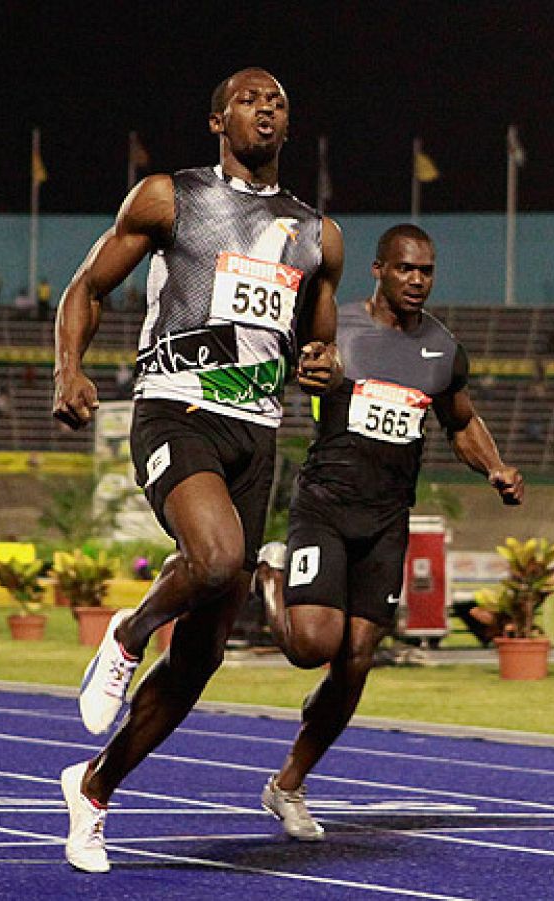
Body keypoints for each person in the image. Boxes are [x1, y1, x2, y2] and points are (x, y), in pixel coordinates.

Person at [50, 68, 342, 873]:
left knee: (203, 656)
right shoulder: (169, 198)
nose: (268, 107)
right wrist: (68, 369)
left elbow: (320, 347)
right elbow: (87, 287)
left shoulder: (317, 234)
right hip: (176, 410)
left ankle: (94, 787)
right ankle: (126, 631)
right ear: (218, 118)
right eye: (250, 98)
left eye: (280, 99)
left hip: (257, 435)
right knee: (213, 559)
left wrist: (323, 364)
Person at [253, 224, 524, 841]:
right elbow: (303, 371)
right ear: (378, 269)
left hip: (385, 522)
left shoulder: (443, 349)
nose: (417, 280)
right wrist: (310, 373)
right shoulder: (339, 330)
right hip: (325, 504)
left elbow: (461, 421)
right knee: (310, 646)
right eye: (405, 269)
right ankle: (269, 571)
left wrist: (496, 468)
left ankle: (288, 785)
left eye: (426, 271)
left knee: (355, 662)